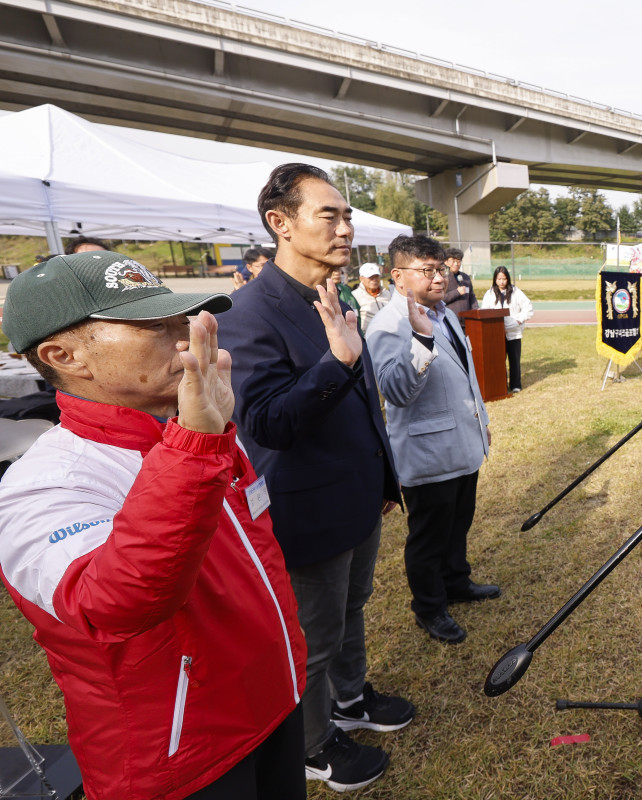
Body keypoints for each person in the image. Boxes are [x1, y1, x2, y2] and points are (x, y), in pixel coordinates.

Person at [0, 251, 307, 800]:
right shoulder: (43, 483)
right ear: (63, 355)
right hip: (179, 756)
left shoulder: (192, 428)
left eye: (180, 321)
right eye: (154, 327)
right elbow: (112, 602)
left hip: (270, 703)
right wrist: (196, 447)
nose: (186, 339)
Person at [219, 164, 411, 792]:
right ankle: (313, 743)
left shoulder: (336, 296)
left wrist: (381, 479)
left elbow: (364, 401)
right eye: (330, 215)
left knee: (352, 609)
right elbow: (268, 423)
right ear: (280, 223)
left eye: (348, 216)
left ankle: (351, 701)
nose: (346, 228)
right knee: (314, 635)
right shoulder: (249, 312)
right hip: (306, 511)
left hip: (355, 496)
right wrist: (336, 360)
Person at [366, 234, 499, 645]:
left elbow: (466, 377)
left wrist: (482, 420)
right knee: (428, 537)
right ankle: (429, 606)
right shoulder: (388, 324)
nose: (440, 277)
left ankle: (456, 581)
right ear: (398, 276)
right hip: (428, 453)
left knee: (458, 524)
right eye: (427, 270)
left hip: (462, 444)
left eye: (441, 268)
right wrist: (421, 340)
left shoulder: (447, 314)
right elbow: (396, 391)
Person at [479, 265, 534, 393]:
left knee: (514, 359)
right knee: (498, 360)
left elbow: (528, 308)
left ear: (508, 279)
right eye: (499, 279)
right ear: (495, 280)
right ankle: (500, 384)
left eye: (504, 279)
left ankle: (515, 384)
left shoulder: (516, 292)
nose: (502, 282)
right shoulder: (490, 293)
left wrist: (518, 320)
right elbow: (485, 311)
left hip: (513, 332)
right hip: (496, 333)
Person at [352, 263, 390, 331]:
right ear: (361, 278)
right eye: (370, 277)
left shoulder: (387, 294)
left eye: (376, 276)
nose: (374, 280)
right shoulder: (354, 296)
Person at [443, 247, 479, 315]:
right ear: (446, 262)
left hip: (467, 319)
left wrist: (476, 309)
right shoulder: (443, 278)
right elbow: (441, 300)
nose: (456, 264)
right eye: (453, 261)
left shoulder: (466, 277)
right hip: (451, 319)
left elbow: (472, 297)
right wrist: (457, 292)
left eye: (458, 261)